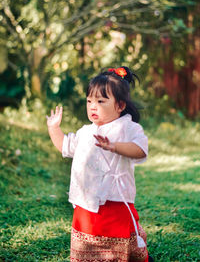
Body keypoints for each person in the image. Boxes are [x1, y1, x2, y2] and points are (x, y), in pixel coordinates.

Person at [47, 66, 151, 262]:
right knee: (87, 238)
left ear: (120, 106)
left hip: (115, 201)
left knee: (116, 238)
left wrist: (115, 146)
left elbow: (140, 150)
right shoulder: (85, 132)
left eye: (101, 101)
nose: (93, 106)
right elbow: (65, 146)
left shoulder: (127, 127)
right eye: (89, 101)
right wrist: (54, 129)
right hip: (86, 201)